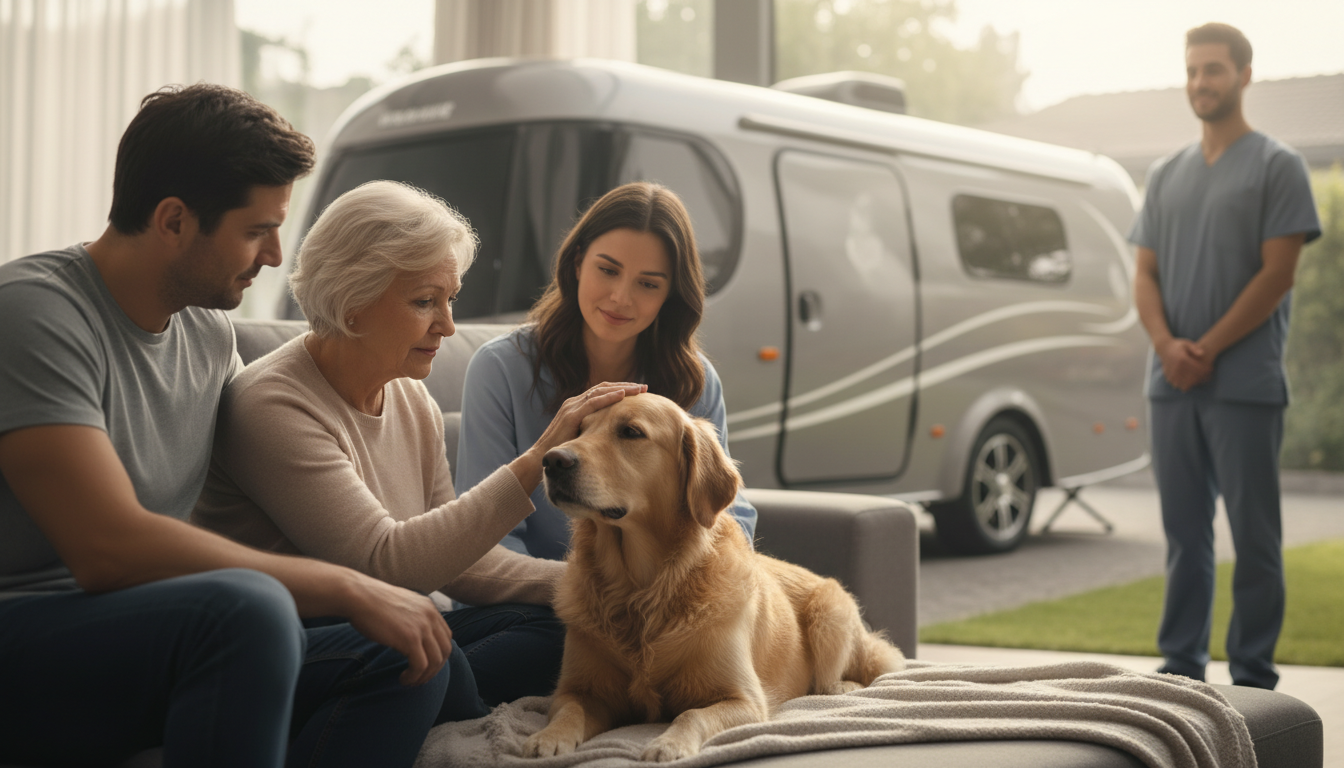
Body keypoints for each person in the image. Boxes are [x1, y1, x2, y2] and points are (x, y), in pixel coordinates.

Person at [0, 84, 461, 768]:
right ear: (174, 220)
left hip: (161, 631)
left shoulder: (209, 334)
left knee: (407, 654)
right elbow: (107, 549)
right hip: (28, 632)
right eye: (255, 231)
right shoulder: (34, 315)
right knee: (250, 609)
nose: (275, 255)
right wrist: (347, 585)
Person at [193, 180, 641, 711]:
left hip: (396, 628)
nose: (447, 326)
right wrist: (536, 459)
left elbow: (456, 562)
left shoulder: (409, 395)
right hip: (298, 646)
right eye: (425, 302)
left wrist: (598, 587)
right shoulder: (272, 404)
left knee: (563, 622)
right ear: (352, 302)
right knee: (414, 659)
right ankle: (443, 700)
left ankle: (442, 698)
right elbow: (385, 564)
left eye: (450, 300)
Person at [1129, 23, 1321, 690]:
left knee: (1255, 537)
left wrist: (1206, 348)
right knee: (1185, 536)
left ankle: (1252, 675)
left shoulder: (1278, 166)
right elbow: (1144, 274)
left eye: (1213, 69)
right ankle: (1182, 667)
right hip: (1171, 383)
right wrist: (1167, 347)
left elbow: (1278, 274)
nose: (1200, 82)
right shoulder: (1165, 174)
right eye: (1192, 70)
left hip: (1244, 383)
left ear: (1244, 75)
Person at [454, 181, 758, 561]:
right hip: (532, 591)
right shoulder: (498, 369)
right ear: (578, 263)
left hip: (660, 595)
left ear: (670, 295)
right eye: (608, 270)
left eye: (648, 283)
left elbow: (728, 517)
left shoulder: (695, 380)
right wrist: (588, 590)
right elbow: (484, 538)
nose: (620, 298)